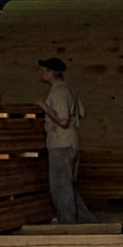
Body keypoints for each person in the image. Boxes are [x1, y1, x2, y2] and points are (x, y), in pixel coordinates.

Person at [38, 57, 92, 224]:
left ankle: (68, 224)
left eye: (45, 71)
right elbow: (82, 113)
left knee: (60, 188)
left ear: (53, 73)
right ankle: (87, 223)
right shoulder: (69, 90)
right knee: (68, 188)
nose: (42, 74)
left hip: (60, 144)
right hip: (71, 143)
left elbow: (63, 121)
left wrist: (45, 108)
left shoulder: (59, 92)